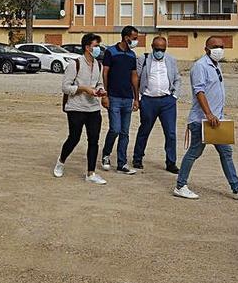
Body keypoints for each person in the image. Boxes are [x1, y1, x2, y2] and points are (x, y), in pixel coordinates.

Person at [173, 36, 238, 200]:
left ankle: (237, 189)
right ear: (206, 49)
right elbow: (200, 92)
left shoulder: (216, 66)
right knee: (194, 152)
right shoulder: (200, 66)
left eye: (221, 46)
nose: (219, 49)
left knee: (226, 152)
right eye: (215, 46)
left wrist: (217, 114)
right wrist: (209, 113)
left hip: (217, 120)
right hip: (202, 120)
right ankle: (180, 186)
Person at [56, 33, 108, 185]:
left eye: (99, 46)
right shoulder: (75, 64)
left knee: (94, 140)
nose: (98, 49)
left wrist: (100, 90)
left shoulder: (99, 65)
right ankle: (61, 161)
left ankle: (91, 173)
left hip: (93, 108)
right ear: (87, 47)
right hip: (76, 108)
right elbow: (66, 87)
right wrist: (84, 88)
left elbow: (99, 83)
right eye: (95, 46)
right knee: (74, 138)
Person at [131, 35, 181, 172]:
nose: (160, 52)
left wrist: (174, 95)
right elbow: (137, 78)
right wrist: (138, 97)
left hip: (167, 101)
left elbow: (177, 78)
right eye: (157, 49)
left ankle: (171, 162)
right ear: (152, 47)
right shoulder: (144, 59)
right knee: (144, 130)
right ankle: (137, 158)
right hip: (148, 100)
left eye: (162, 49)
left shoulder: (171, 60)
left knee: (170, 133)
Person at [100, 26, 141, 174]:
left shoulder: (132, 55)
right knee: (115, 129)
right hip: (114, 97)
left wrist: (136, 98)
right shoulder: (111, 51)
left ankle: (122, 163)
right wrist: (104, 95)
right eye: (134, 38)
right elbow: (105, 73)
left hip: (127, 98)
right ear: (126, 37)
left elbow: (134, 76)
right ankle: (106, 154)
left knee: (125, 132)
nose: (136, 41)